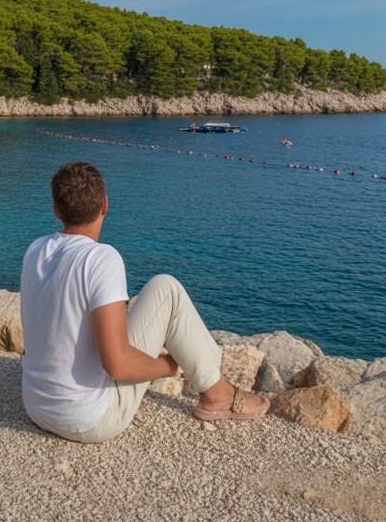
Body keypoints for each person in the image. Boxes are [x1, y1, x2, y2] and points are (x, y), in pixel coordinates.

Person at [19, 161, 268, 443]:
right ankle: (217, 395)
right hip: (87, 420)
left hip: (36, 406)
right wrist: (168, 366)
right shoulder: (101, 258)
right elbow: (118, 364)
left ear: (55, 210)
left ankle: (215, 386)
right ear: (105, 206)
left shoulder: (36, 249)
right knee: (167, 289)